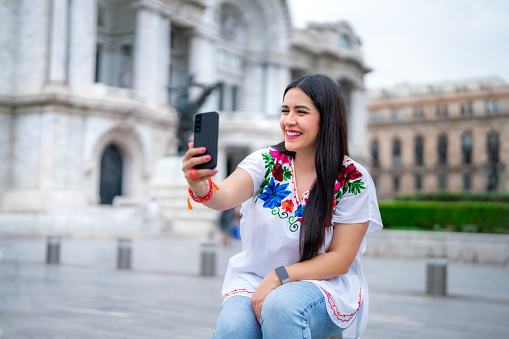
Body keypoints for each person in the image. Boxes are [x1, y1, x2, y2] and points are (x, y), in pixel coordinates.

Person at [182, 74, 382, 339]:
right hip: (256, 278)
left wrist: (279, 277)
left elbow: (341, 259)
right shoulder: (266, 161)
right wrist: (200, 184)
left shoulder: (352, 179)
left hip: (323, 286)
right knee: (233, 330)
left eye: (301, 112)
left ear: (327, 119)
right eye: (285, 110)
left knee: (282, 306)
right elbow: (224, 196)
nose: (288, 120)